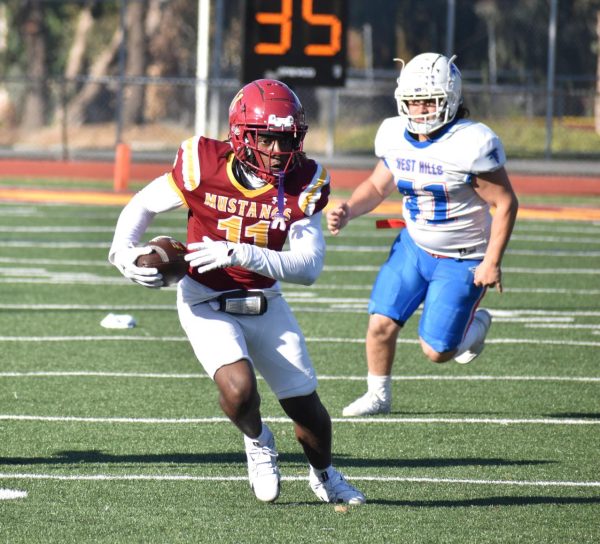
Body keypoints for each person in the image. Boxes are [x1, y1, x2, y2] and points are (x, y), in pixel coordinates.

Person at [108, 79, 365, 505]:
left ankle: (324, 475)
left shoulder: (304, 181)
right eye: (270, 139)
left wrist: (239, 253)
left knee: (309, 413)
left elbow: (309, 268)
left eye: (289, 140)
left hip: (266, 302)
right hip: (205, 299)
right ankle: (259, 441)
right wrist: (122, 254)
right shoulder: (202, 164)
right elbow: (144, 204)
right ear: (243, 136)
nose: (281, 151)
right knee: (239, 389)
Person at [327, 53, 519, 417]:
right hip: (414, 247)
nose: (420, 110)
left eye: (428, 101)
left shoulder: (471, 142)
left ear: (450, 99)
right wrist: (349, 209)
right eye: (413, 101)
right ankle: (378, 396)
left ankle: (476, 325)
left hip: (463, 256)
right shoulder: (393, 135)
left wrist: (492, 261)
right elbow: (378, 184)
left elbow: (506, 203)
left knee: (438, 352)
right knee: (380, 322)